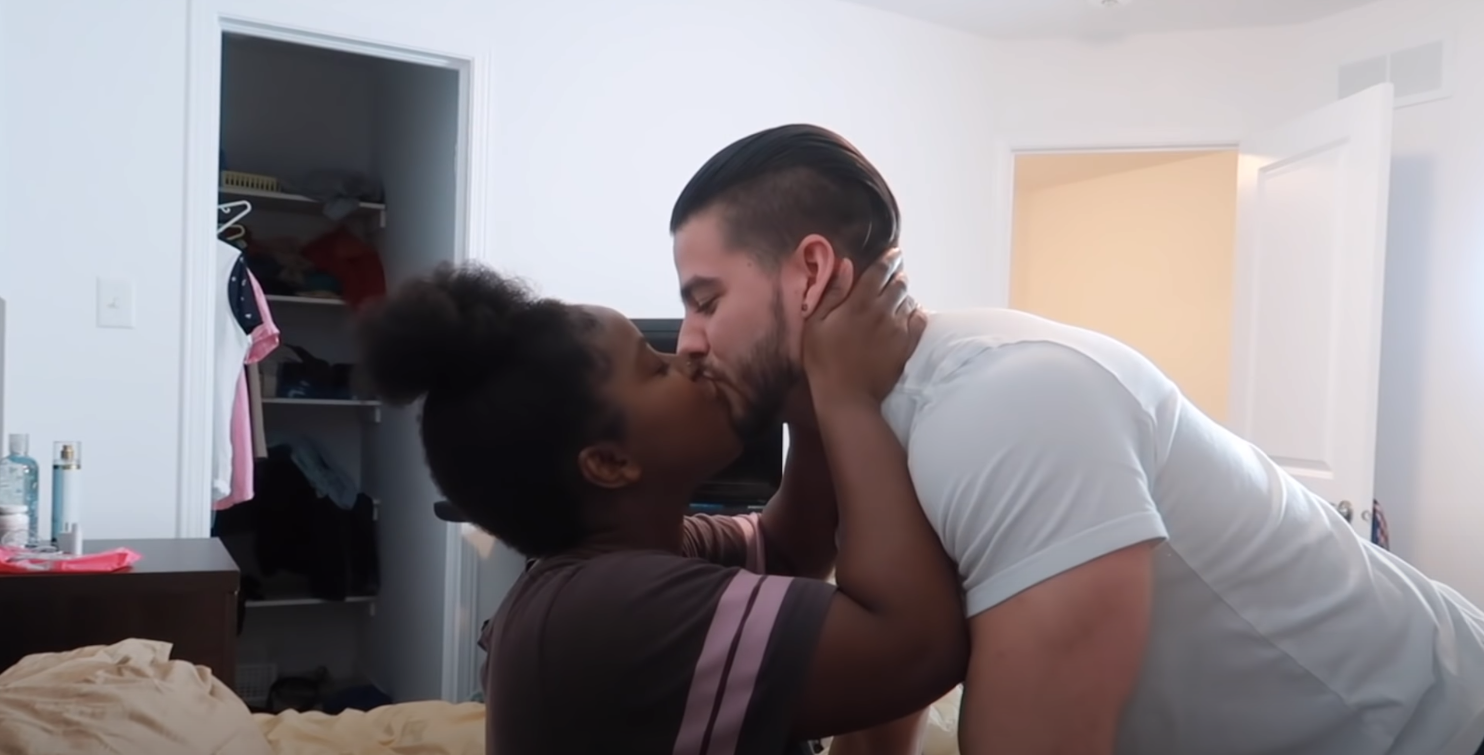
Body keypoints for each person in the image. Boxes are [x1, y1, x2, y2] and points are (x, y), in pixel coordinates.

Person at [668, 123, 1484, 755]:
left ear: (811, 274)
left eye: (705, 300)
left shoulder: (1011, 408)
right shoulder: (859, 420)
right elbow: (872, 655)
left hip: (1434, 726)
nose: (688, 341)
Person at [353, 255, 965, 754]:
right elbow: (918, 650)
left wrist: (804, 394)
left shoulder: (635, 555)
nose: (688, 360)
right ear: (609, 463)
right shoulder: (608, 609)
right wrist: (849, 395)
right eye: (654, 367)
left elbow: (789, 548)